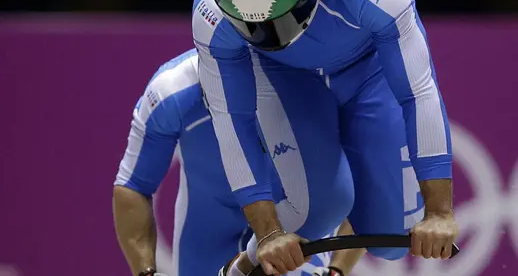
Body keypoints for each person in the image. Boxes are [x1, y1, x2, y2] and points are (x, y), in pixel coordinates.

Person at [192, 0, 459, 275]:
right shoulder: (210, 13)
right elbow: (232, 121)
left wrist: (440, 213)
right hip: (280, 74)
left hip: (369, 70)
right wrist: (268, 233)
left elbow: (418, 93)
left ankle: (335, 269)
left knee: (394, 236)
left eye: (281, 20)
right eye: (253, 27)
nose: (272, 34)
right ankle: (242, 268)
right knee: (311, 212)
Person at [112, 49, 424, 276]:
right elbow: (133, 186)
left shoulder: (311, 86)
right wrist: (146, 273)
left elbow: (365, 184)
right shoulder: (171, 92)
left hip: (292, 225)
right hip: (206, 230)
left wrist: (337, 270)